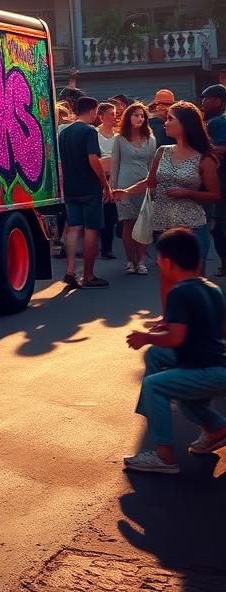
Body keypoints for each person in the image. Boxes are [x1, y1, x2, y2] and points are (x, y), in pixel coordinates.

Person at [122, 228, 226, 474]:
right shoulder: (211, 288)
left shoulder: (178, 292)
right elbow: (221, 330)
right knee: (159, 361)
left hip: (207, 372)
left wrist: (145, 337)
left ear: (167, 262)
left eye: (157, 257)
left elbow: (176, 337)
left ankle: (164, 457)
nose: (156, 262)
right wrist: (170, 324)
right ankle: (217, 429)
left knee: (154, 385)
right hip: (217, 367)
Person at [116, 101, 220, 274]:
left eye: (170, 118)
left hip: (192, 229)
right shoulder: (162, 151)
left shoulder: (204, 159)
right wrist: (125, 192)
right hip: (165, 232)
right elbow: (150, 182)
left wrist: (188, 193)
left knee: (192, 285)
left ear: (185, 124)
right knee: (170, 285)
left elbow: (215, 195)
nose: (165, 122)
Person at [58, 96, 112, 288]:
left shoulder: (64, 132)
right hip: (89, 187)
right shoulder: (89, 131)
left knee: (73, 229)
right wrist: (105, 184)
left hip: (70, 188)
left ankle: (70, 271)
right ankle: (89, 276)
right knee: (91, 230)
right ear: (92, 111)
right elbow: (93, 159)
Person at [111, 103, 156, 275]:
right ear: (128, 117)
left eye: (142, 116)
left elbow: (152, 165)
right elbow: (114, 165)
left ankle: (142, 260)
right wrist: (113, 189)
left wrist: (153, 187)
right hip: (124, 186)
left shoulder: (150, 139)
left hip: (144, 185)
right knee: (128, 224)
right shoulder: (120, 139)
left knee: (143, 224)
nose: (139, 118)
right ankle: (131, 261)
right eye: (136, 115)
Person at [200, 83, 226, 278]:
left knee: (218, 228)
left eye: (206, 99)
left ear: (218, 102)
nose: (202, 103)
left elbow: (219, 149)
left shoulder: (217, 123)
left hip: (221, 184)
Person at [95, 102, 119, 260]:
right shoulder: (94, 134)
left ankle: (107, 248)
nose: (114, 117)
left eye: (115, 113)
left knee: (111, 215)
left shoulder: (119, 137)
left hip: (115, 179)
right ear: (101, 116)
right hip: (98, 178)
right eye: (111, 113)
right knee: (100, 213)